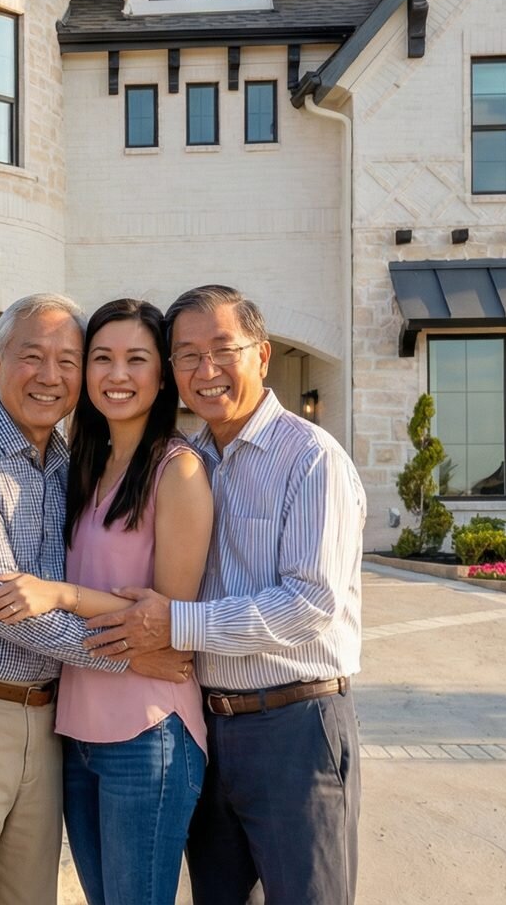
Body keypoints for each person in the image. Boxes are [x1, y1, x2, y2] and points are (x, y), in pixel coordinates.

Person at [0, 293, 189, 905]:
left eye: (68, 360)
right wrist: (132, 655)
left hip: (46, 724)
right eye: (32, 356)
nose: (50, 375)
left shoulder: (69, 464)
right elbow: (4, 610)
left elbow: (66, 593)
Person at [84, 284, 367, 904]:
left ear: (261, 355)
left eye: (222, 350)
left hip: (295, 726)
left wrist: (178, 624)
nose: (205, 370)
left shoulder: (311, 459)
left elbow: (310, 604)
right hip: (212, 731)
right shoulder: (190, 460)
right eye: (187, 355)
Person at [0, 297, 214, 904]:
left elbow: (168, 622)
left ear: (162, 374)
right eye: (102, 358)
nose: (117, 374)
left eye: (136, 359)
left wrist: (60, 594)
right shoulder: (82, 464)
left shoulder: (179, 471)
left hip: (149, 731)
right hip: (76, 732)